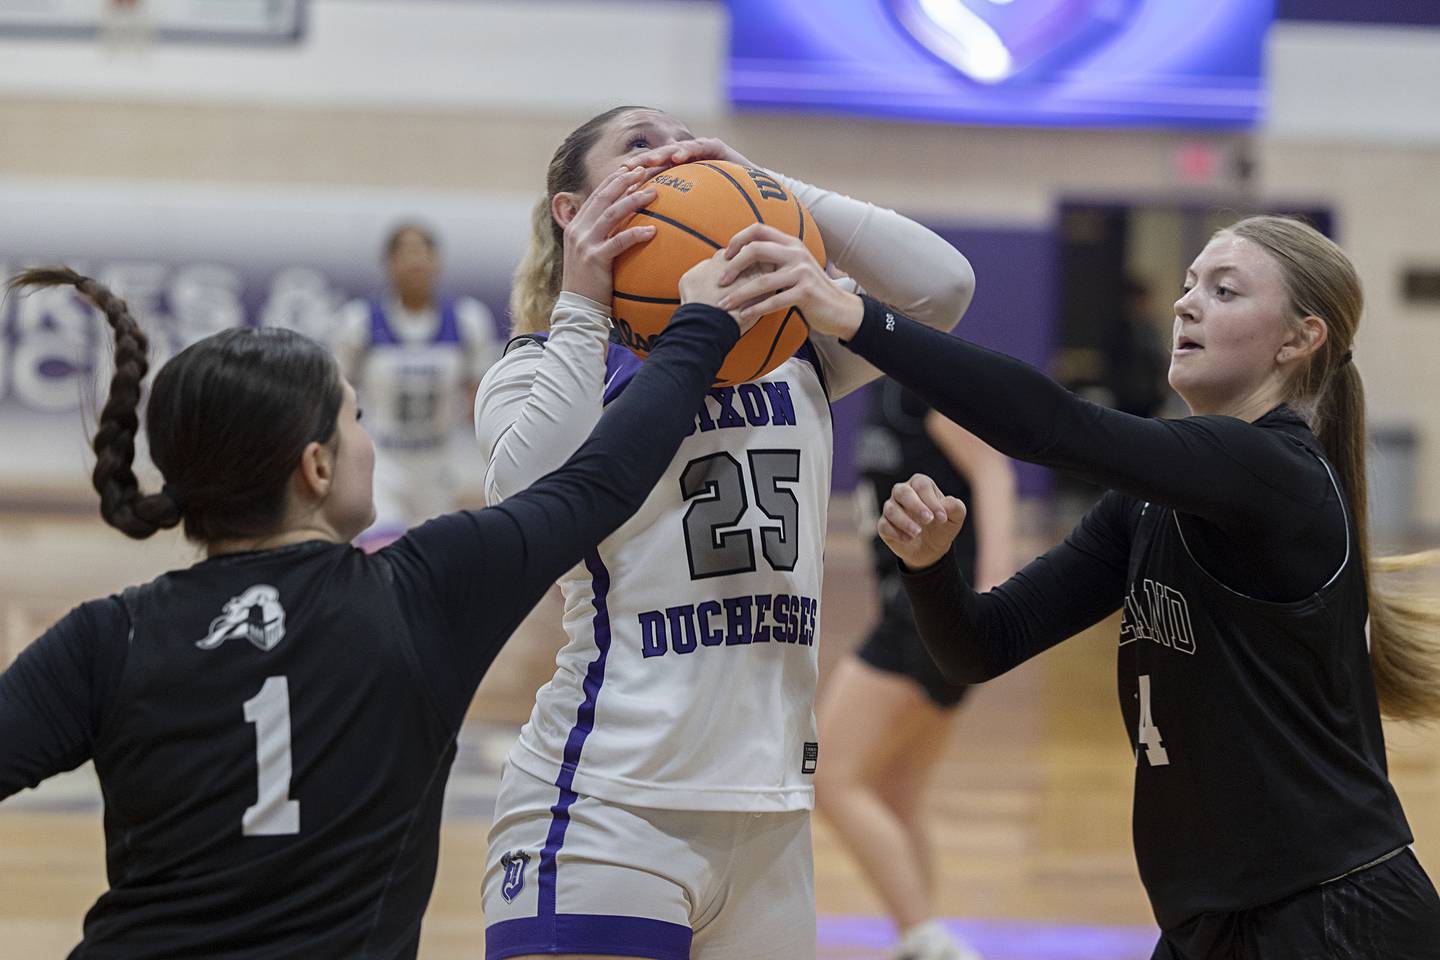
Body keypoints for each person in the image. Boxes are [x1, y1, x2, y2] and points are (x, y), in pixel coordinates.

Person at [0, 212, 746, 960]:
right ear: (317, 467)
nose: (366, 443)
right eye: (355, 419)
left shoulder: (105, 638)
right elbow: (600, 482)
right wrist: (700, 327)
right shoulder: (426, 591)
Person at [722, 215, 1440, 958]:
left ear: (1299, 339)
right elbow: (980, 646)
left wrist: (858, 318)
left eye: (1224, 291)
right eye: (1190, 284)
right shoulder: (1148, 505)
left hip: (1334, 914)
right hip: (1213, 921)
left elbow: (1053, 425)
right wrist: (931, 567)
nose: (1186, 304)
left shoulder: (1274, 473)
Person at [474, 105, 975, 960]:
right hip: (606, 802)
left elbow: (943, 289)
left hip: (771, 814)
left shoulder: (794, 344)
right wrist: (586, 296)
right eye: (640, 145)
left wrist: (770, 189)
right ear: (572, 209)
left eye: (685, 139)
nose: (674, 154)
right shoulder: (545, 363)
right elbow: (529, 505)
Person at [815, 381, 1015, 960]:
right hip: (927, 618)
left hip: (929, 617)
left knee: (831, 775)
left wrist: (998, 591)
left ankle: (924, 939)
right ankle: (924, 935)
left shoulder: (925, 385)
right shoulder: (876, 387)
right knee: (896, 790)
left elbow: (994, 473)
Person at [331, 222, 501, 546]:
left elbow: (481, 398)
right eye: (405, 253)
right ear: (389, 264)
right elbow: (338, 393)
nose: (415, 262)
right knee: (384, 549)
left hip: (440, 466)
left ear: (437, 261)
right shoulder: (360, 322)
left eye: (423, 252)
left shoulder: (467, 320)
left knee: (431, 558)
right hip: (383, 463)